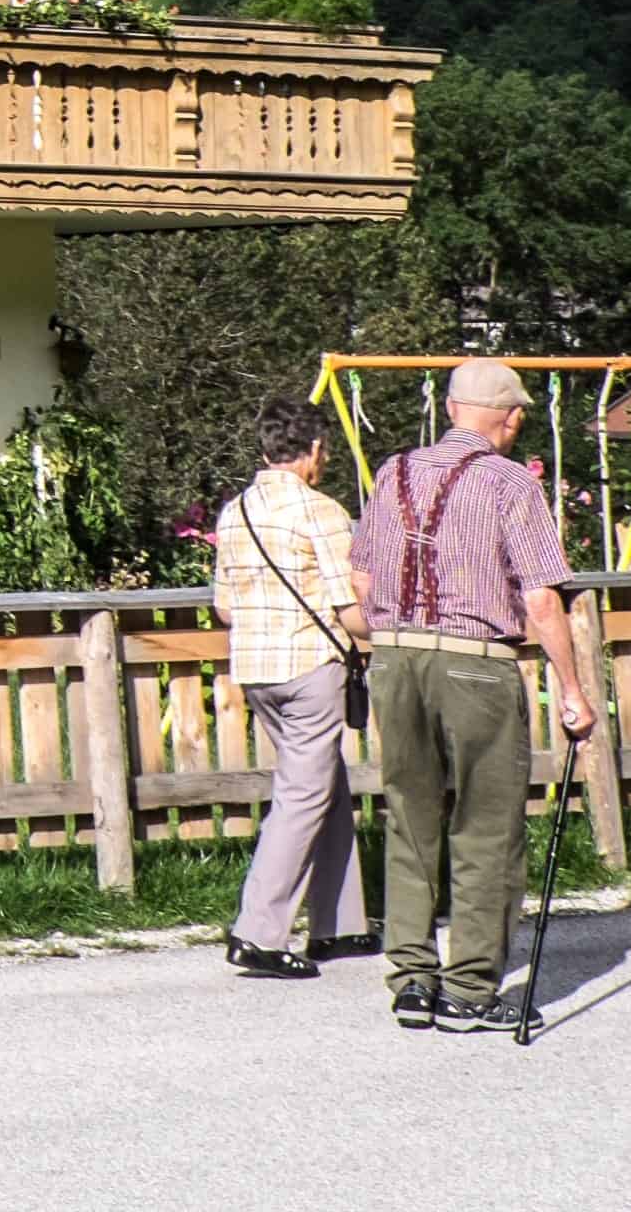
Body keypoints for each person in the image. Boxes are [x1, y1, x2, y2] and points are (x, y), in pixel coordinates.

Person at [350, 356, 602, 1034]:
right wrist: (573, 691)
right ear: (511, 416)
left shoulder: (391, 472)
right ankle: (468, 988)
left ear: (453, 408)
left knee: (410, 818)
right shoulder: (510, 483)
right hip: (477, 665)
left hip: (395, 660)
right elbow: (541, 598)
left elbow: (363, 582)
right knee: (486, 827)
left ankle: (410, 981)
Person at [209, 394, 367, 977]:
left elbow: (226, 607)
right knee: (302, 795)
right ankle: (259, 933)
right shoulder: (320, 511)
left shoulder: (234, 512)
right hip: (309, 666)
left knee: (324, 782)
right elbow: (347, 603)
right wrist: (392, 633)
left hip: (255, 668)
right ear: (315, 450)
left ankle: (340, 925)